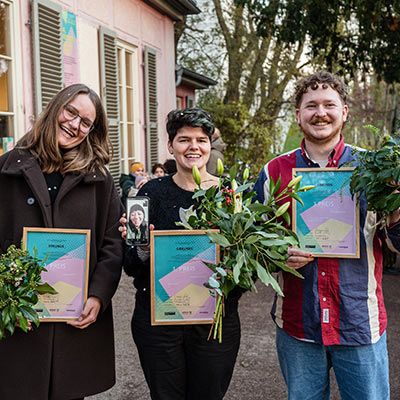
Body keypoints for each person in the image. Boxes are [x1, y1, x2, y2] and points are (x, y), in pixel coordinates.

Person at [254, 71, 400, 400]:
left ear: (344, 111)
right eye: (311, 105)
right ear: (298, 114)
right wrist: (277, 256)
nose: (320, 113)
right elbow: (253, 245)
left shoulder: (374, 168)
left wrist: (397, 208)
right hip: (298, 325)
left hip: (359, 322)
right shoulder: (273, 172)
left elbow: (395, 244)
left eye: (329, 104)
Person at [0, 83, 123, 400]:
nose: (75, 125)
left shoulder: (99, 178)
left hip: (73, 321)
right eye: (71, 112)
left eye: (86, 123)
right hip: (17, 322)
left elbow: (111, 244)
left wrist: (98, 295)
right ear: (56, 108)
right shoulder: (6, 168)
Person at [123, 108, 242, 400]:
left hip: (214, 321)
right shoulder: (148, 193)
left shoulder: (230, 193)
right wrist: (142, 249)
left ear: (209, 146)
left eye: (201, 140)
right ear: (170, 146)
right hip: (159, 321)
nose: (193, 147)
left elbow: (245, 266)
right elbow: (129, 264)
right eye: (184, 139)